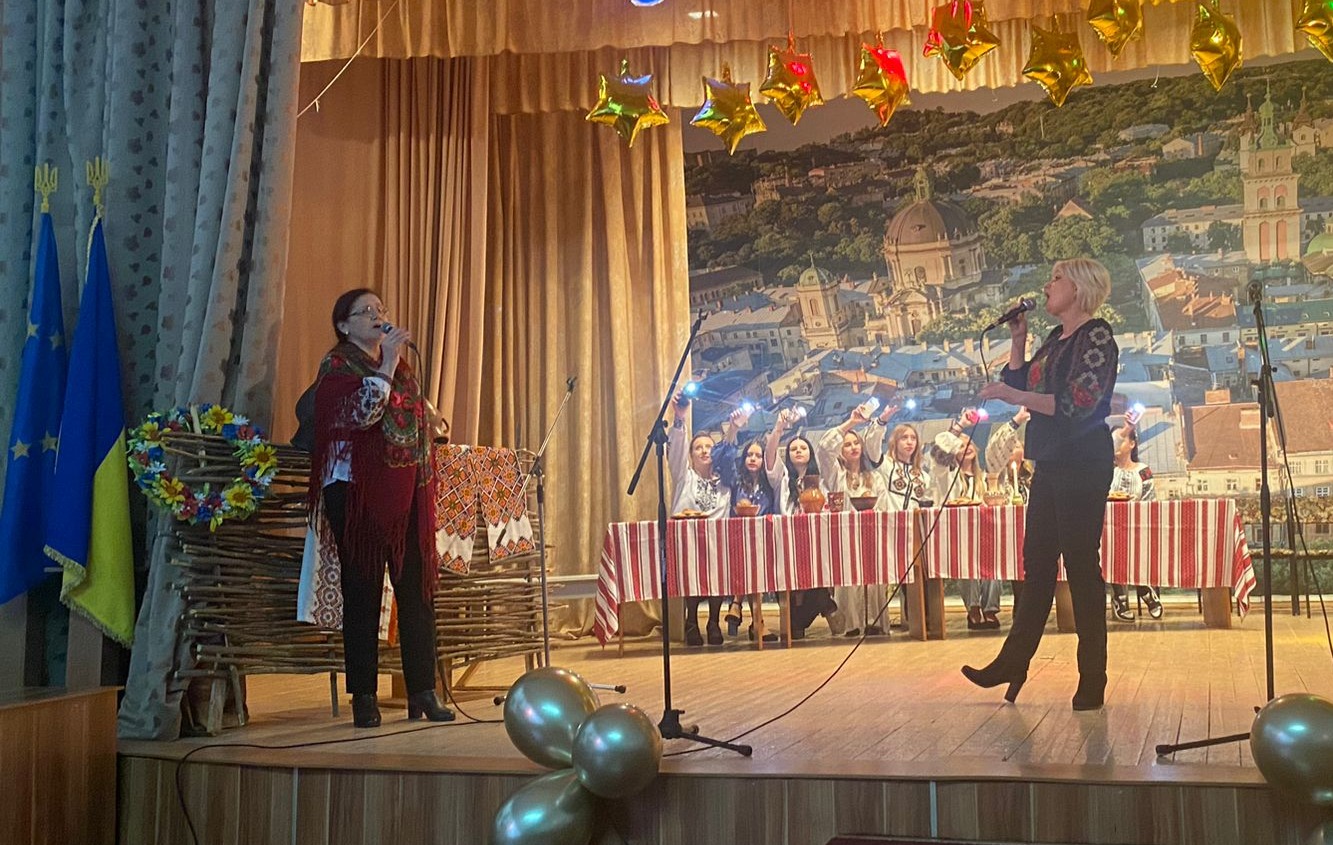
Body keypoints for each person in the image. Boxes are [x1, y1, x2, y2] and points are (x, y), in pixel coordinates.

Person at [965, 258, 1120, 711]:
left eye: (1056, 279)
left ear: (1080, 289)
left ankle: (1092, 677)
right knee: (1036, 566)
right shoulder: (1055, 339)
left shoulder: (1097, 337)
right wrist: (1018, 340)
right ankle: (1013, 662)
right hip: (1050, 461)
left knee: (1081, 566)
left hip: (1082, 462)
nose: (1047, 286)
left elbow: (1078, 402)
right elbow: (1020, 380)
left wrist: (1014, 396)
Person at [307, 289, 454, 728]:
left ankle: (422, 690)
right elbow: (364, 415)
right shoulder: (337, 366)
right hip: (356, 492)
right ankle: (364, 696)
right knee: (363, 590)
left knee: (416, 590)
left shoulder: (404, 371)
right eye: (366, 311)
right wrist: (387, 362)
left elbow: (419, 423)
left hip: (405, 489)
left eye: (381, 309)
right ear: (344, 325)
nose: (378, 316)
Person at [667, 392, 735, 646]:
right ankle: (692, 621)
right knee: (692, 575)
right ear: (691, 454)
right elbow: (676, 450)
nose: (705, 451)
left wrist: (734, 428)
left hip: (717, 541)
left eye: (709, 447)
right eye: (699, 447)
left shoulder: (724, 481)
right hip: (689, 541)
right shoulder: (684, 476)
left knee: (718, 574)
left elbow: (729, 451)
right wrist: (680, 418)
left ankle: (714, 621)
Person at [818, 403, 889, 637]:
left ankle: (875, 621)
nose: (853, 447)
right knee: (848, 581)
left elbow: (884, 507)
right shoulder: (836, 475)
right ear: (841, 451)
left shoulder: (874, 477)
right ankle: (851, 624)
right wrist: (851, 423)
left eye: (856, 443)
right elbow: (824, 448)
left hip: (872, 537)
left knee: (875, 581)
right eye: (847, 444)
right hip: (846, 539)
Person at [766, 411, 836, 639]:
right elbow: (770, 458)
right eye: (793, 449)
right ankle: (817, 609)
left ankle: (807, 615)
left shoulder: (821, 478)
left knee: (816, 580)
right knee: (793, 583)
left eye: (803, 448)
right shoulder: (783, 478)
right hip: (788, 540)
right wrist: (778, 429)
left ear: (810, 453)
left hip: (817, 539)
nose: (798, 451)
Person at [717, 410, 780, 644]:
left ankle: (737, 603)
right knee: (748, 561)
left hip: (763, 540)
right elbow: (724, 461)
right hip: (737, 539)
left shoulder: (770, 483)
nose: (753, 459)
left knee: (756, 563)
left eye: (758, 456)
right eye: (749, 455)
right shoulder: (736, 481)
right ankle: (758, 622)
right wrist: (733, 429)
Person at [930, 419, 999, 630]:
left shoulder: (985, 477)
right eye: (960, 445)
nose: (966, 446)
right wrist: (958, 427)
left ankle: (990, 608)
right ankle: (973, 608)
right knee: (966, 565)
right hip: (958, 532)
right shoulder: (947, 475)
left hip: (984, 531)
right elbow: (939, 454)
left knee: (993, 562)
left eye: (969, 443)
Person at [1108, 415, 1162, 622]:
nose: (1117, 445)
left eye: (1122, 439)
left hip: (1137, 524)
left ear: (1132, 444)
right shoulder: (1107, 470)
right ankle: (1120, 596)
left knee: (1136, 544)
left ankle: (1144, 586)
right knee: (1114, 546)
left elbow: (1149, 500)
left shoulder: (1143, 470)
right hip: (1110, 525)